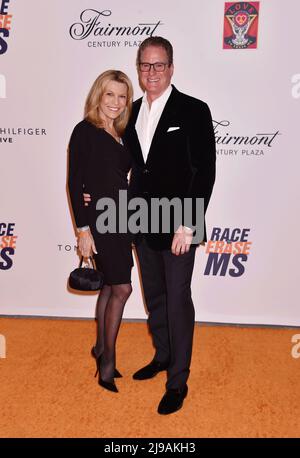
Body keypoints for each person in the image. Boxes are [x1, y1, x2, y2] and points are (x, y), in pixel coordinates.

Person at [85, 36, 216, 414]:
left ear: (171, 68)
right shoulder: (131, 112)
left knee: (178, 299)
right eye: (145, 65)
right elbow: (117, 166)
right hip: (141, 221)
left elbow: (204, 171)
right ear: (139, 69)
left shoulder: (194, 109)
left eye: (159, 65)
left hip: (180, 223)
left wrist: (189, 224)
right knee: (154, 297)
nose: (152, 72)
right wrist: (93, 196)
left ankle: (178, 381)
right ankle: (162, 355)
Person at [68, 70, 134, 393]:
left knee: (110, 285)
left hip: (122, 219)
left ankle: (99, 347)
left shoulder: (122, 131)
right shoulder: (84, 131)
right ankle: (107, 364)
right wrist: (83, 229)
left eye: (122, 97)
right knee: (122, 289)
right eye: (110, 95)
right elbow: (74, 181)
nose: (116, 102)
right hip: (100, 221)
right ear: (98, 95)